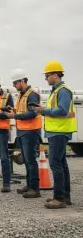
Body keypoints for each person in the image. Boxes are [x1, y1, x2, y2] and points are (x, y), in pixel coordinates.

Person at [32, 60, 77, 209]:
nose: (46, 78)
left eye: (47, 75)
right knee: (61, 164)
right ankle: (65, 196)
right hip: (57, 131)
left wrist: (43, 111)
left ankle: (59, 198)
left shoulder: (63, 91)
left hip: (59, 132)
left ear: (55, 75)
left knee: (56, 164)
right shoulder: (57, 91)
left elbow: (62, 111)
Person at [5, 69, 42, 198]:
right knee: (26, 160)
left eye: (15, 83)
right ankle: (29, 185)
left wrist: (15, 115)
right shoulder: (22, 95)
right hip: (23, 131)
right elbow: (23, 111)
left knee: (30, 160)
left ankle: (35, 189)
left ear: (22, 81)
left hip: (30, 131)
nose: (14, 86)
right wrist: (13, 110)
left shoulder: (32, 94)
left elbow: (32, 113)